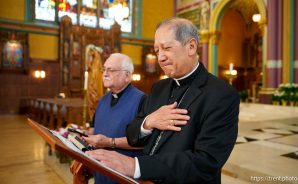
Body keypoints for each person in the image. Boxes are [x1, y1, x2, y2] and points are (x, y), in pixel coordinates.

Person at [86, 18, 240, 184]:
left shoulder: (221, 94)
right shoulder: (158, 88)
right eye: (157, 50)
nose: (160, 57)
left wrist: (136, 166)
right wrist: (148, 123)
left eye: (166, 48)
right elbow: (132, 135)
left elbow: (205, 163)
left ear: (191, 46)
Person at [75, 53, 145, 184]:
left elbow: (143, 143)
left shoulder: (142, 100)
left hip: (123, 175)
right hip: (100, 170)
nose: (105, 74)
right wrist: (81, 134)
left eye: (111, 70)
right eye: (104, 69)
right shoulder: (103, 99)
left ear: (127, 76)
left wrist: (108, 142)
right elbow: (94, 129)